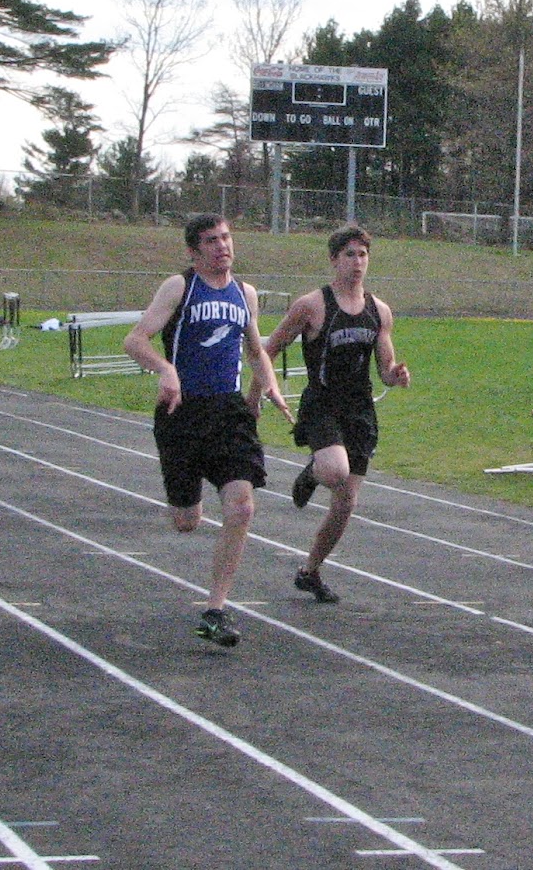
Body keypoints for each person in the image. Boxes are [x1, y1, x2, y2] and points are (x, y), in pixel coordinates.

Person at [123, 214, 289, 647]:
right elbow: (135, 340)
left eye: (226, 237)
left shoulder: (245, 293)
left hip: (228, 412)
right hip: (182, 413)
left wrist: (269, 386)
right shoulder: (179, 287)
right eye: (212, 241)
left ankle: (215, 610)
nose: (222, 246)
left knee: (242, 507)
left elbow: (255, 349)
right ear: (194, 251)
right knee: (186, 521)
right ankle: (187, 501)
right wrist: (165, 370)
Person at [263, 225, 409, 603]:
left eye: (363, 255)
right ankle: (313, 473)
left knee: (345, 504)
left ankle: (310, 571)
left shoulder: (379, 311)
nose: (357, 262)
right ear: (333, 260)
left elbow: (384, 367)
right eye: (349, 255)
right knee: (334, 470)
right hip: (323, 404)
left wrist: (395, 376)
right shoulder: (312, 305)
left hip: (359, 411)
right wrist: (259, 391)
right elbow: (271, 347)